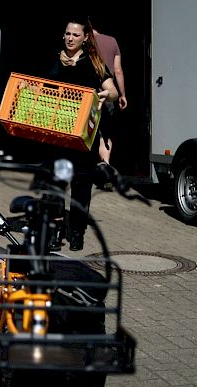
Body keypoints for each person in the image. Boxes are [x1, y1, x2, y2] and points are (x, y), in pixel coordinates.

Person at [46, 15, 119, 252]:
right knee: (56, 185)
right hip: (56, 133)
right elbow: (35, 84)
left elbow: (114, 91)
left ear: (85, 37)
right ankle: (56, 232)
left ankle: (77, 233)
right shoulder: (52, 59)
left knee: (81, 185)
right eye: (67, 33)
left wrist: (105, 95)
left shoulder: (93, 63)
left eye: (76, 35)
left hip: (84, 135)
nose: (70, 38)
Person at [91, 17, 128, 166]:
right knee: (105, 133)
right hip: (108, 93)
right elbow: (118, 70)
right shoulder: (112, 41)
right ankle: (105, 165)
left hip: (89, 92)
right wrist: (122, 94)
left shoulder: (85, 41)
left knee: (88, 130)